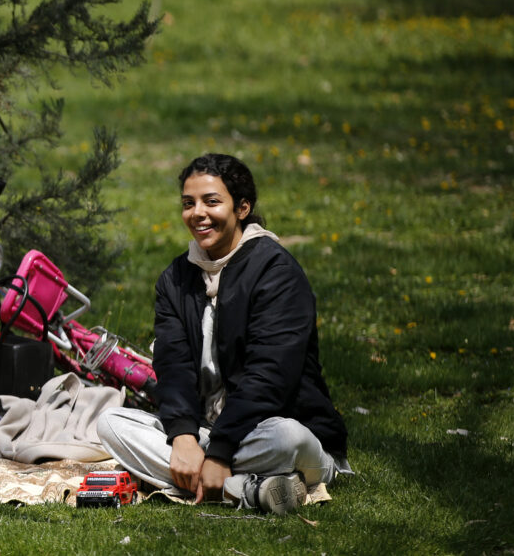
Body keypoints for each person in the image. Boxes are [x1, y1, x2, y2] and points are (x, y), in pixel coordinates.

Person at [97, 153, 350, 515]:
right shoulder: (176, 278)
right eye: (188, 204)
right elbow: (173, 365)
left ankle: (218, 480)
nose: (197, 213)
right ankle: (249, 490)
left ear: (242, 208)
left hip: (271, 430)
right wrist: (184, 436)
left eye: (211, 201)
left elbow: (271, 377)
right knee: (110, 423)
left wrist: (220, 451)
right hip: (207, 431)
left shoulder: (276, 272)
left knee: (287, 436)